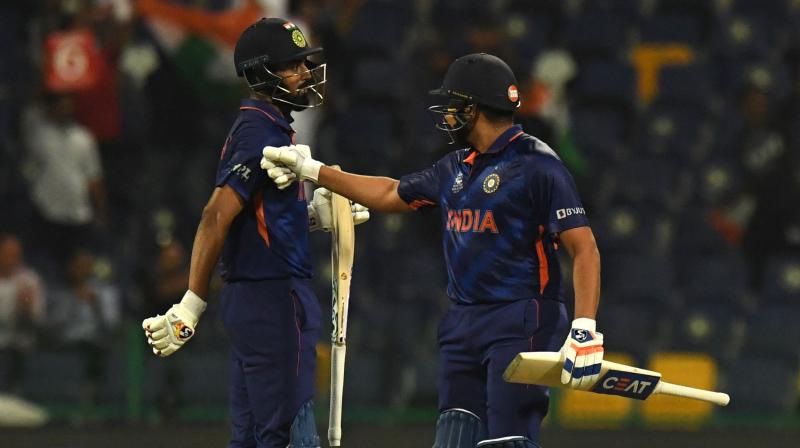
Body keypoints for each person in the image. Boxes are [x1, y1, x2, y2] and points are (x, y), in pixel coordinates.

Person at [261, 53, 603, 448]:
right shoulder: (455, 167)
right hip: (463, 321)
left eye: (454, 107)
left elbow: (585, 249)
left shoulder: (539, 166)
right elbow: (391, 192)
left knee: (509, 441)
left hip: (522, 318)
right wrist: (315, 171)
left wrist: (585, 327)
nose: (447, 116)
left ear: (474, 108)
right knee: (453, 438)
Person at [141, 18, 367, 448]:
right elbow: (215, 216)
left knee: (251, 437)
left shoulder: (263, 126)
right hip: (274, 298)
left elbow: (255, 215)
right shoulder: (259, 130)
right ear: (261, 72)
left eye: (304, 63)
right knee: (287, 436)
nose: (304, 74)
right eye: (291, 66)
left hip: (255, 298)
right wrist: (191, 302)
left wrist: (314, 214)